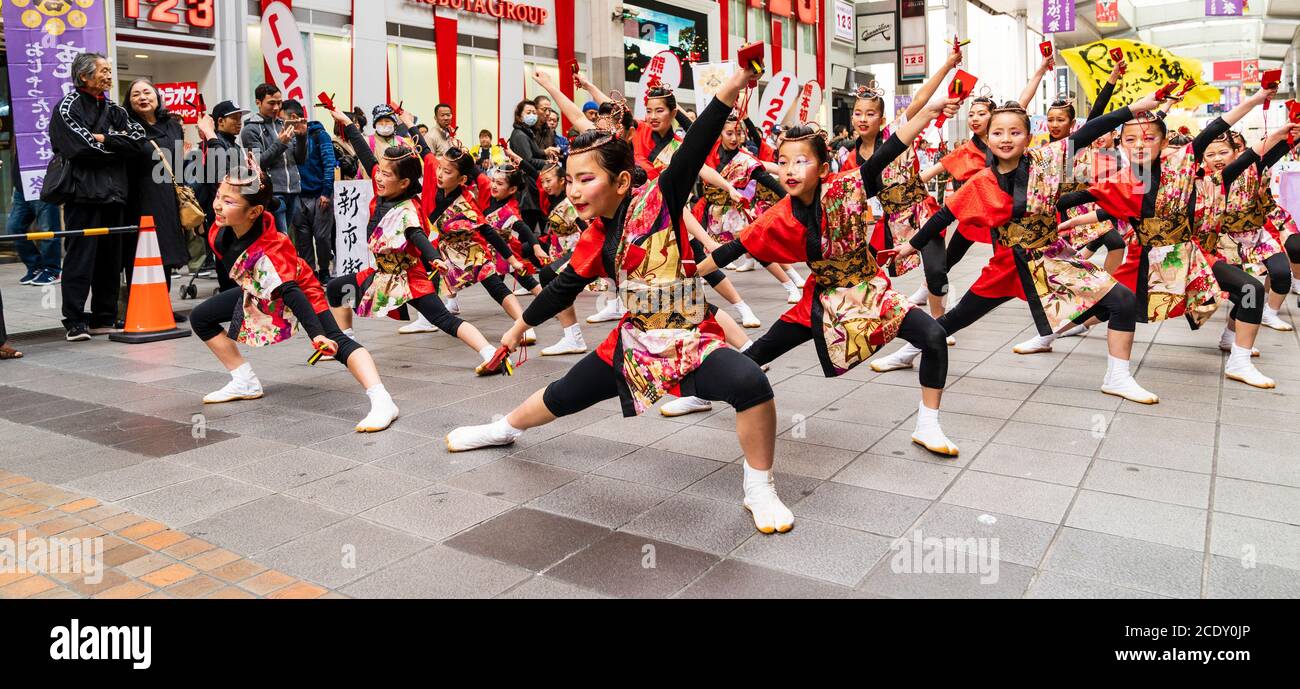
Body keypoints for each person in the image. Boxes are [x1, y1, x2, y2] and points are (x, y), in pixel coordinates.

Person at [446, 62, 798, 536]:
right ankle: (504, 428)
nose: (573, 190)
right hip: (634, 342)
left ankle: (759, 487)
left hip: (690, 339)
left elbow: (693, 150)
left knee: (751, 384)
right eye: (569, 180)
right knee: (564, 395)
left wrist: (734, 85)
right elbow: (562, 288)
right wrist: (513, 332)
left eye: (585, 179)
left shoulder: (660, 198)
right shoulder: (595, 236)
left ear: (622, 182)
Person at [877, 93, 1165, 405]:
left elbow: (1089, 131)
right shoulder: (982, 182)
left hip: (1051, 258)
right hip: (1008, 264)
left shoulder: (1047, 160)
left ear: (1028, 137)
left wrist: (1134, 108)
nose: (1006, 139)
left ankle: (1118, 377)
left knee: (1122, 299)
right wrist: (910, 245)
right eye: (998, 133)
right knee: (961, 316)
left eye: (1015, 132)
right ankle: (908, 351)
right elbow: (946, 215)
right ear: (988, 138)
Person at [192, 160, 399, 432]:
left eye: (228, 201)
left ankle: (382, 400)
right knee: (201, 318)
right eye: (219, 195)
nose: (218, 205)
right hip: (259, 289)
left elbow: (291, 291)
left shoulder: (271, 251)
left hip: (299, 288)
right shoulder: (222, 228)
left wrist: (316, 335)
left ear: (254, 211)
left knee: (337, 341)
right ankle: (244, 381)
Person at [51, 52, 146, 342]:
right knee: (80, 259)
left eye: (109, 70)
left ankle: (104, 317)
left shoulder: (115, 108)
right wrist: (117, 147)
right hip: (83, 194)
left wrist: (104, 139)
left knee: (110, 260)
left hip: (115, 194)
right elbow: (80, 147)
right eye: (103, 70)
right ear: (84, 76)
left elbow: (139, 140)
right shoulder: (67, 107)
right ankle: (75, 321)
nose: (108, 75)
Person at [123, 78, 190, 300]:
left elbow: (179, 164)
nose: (142, 97)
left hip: (169, 196)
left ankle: (163, 306)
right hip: (139, 197)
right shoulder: (126, 127)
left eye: (147, 93)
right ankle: (140, 305)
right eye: (136, 94)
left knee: (167, 249)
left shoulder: (173, 126)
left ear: (157, 97)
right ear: (129, 101)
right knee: (142, 250)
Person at [195, 100, 250, 289]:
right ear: (220, 121)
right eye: (234, 118)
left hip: (235, 212)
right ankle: (230, 307)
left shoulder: (233, 145)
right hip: (221, 214)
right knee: (228, 265)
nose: (239, 121)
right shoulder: (213, 144)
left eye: (240, 117)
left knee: (237, 263)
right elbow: (222, 178)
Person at [281, 99, 337, 282]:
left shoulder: (320, 135)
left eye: (283, 120)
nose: (281, 124)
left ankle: (324, 271)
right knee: (303, 239)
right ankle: (309, 274)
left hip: (320, 195)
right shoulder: (285, 138)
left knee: (322, 237)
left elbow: (329, 164)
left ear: (294, 117)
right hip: (297, 197)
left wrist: (326, 192)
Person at [241, 83, 306, 235]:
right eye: (271, 103)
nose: (276, 107)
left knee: (288, 240)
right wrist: (281, 143)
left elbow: (300, 160)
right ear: (258, 102)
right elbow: (257, 164)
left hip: (294, 190)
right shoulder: (250, 129)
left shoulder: (283, 124)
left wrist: (303, 138)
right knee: (279, 239)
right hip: (274, 193)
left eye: (279, 102)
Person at [6, 154, 62, 287]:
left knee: (48, 230)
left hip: (43, 184)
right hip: (22, 187)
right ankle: (35, 266)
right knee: (14, 228)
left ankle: (52, 270)